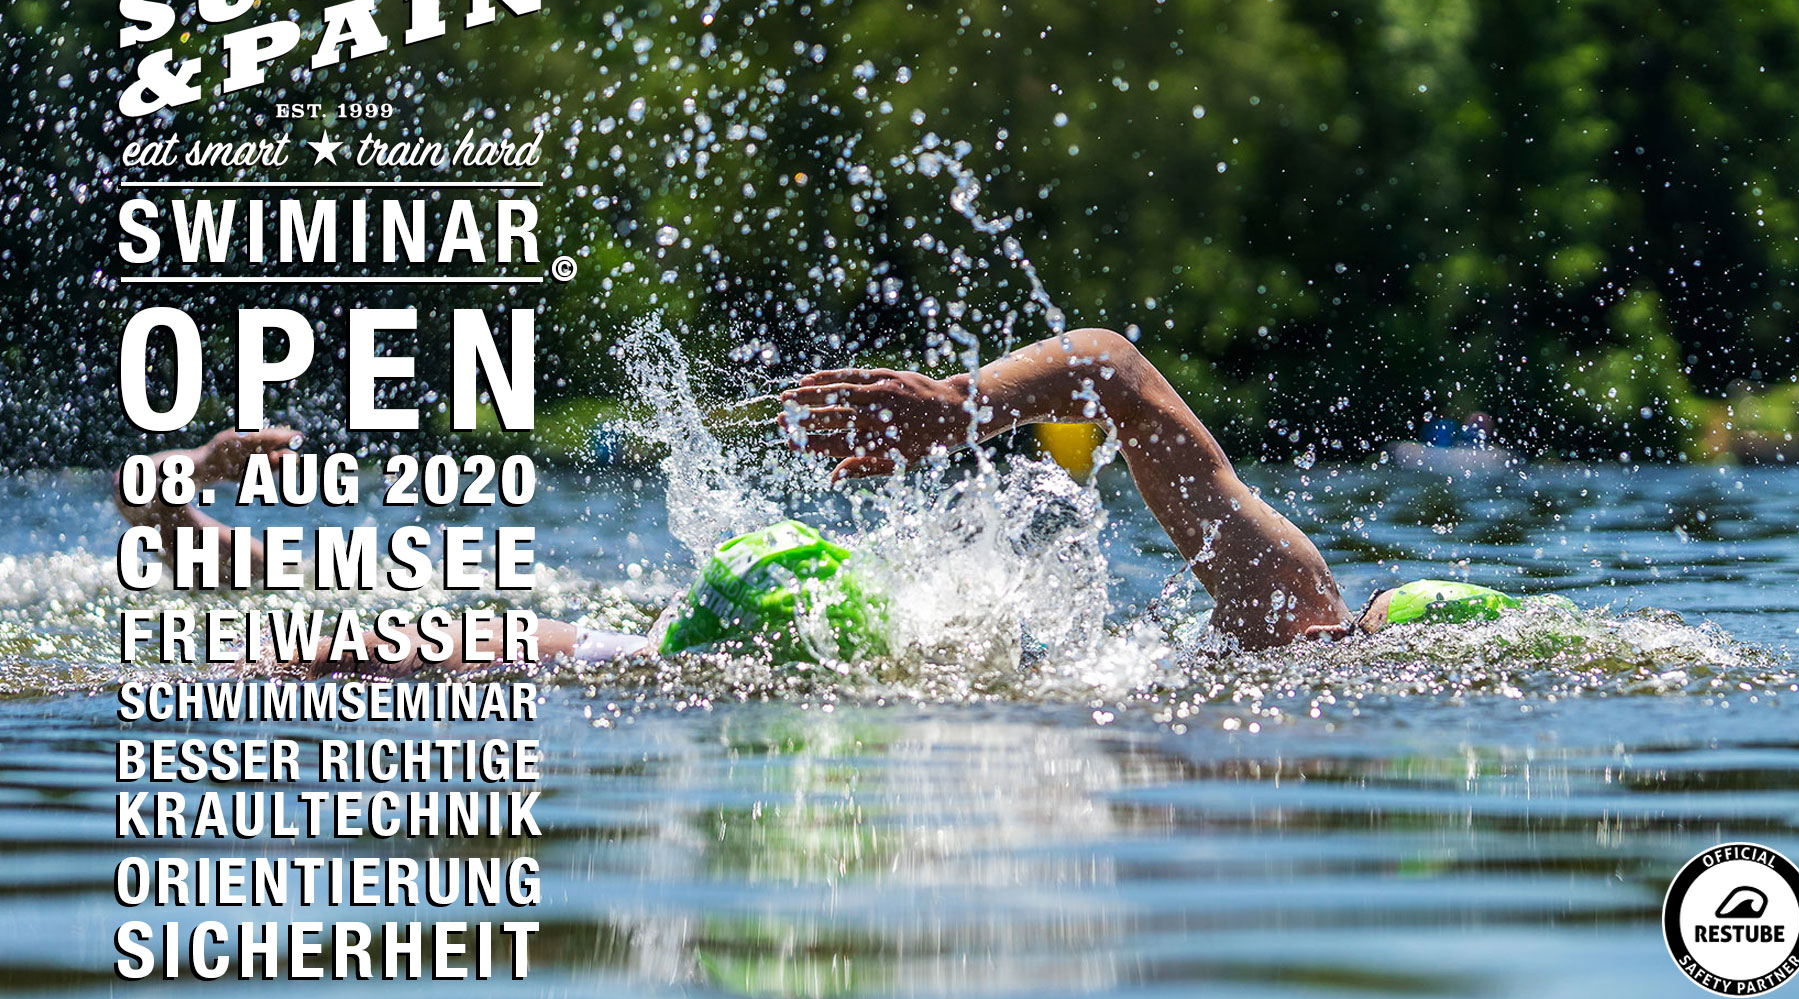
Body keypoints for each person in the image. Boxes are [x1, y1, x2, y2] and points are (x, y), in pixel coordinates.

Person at [115, 328, 1547, 675]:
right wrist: (966, 408)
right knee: (503, 648)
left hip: (803, 648)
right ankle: (187, 541)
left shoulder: (1283, 652)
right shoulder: (1285, 601)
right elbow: (1107, 367)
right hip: (818, 635)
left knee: (506, 647)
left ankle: (188, 539)